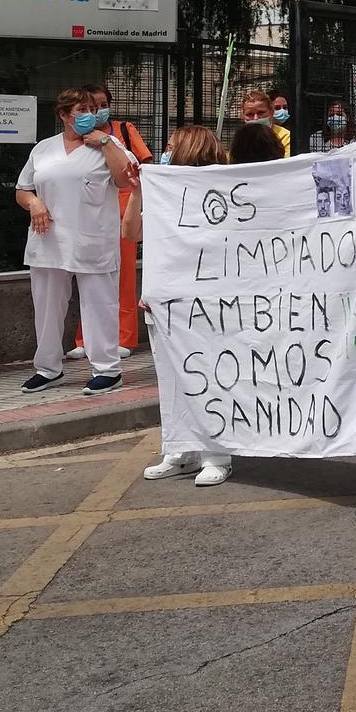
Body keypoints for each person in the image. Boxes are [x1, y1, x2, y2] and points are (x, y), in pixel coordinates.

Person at [133, 125, 237, 487]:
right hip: (165, 298)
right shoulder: (161, 189)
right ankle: (179, 451)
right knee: (172, 377)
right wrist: (137, 189)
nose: (164, 150)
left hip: (208, 301)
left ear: (188, 149)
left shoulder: (222, 187)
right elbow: (132, 233)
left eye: (170, 145)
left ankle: (216, 453)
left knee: (210, 373)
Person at [15, 88, 134, 394]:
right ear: (64, 115)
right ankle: (48, 368)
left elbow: (126, 180)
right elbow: (23, 189)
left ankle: (108, 370)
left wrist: (105, 142)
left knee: (99, 304)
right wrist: (34, 204)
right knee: (46, 306)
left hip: (92, 238)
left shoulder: (110, 144)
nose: (89, 116)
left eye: (93, 110)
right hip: (48, 239)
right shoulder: (43, 149)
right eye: (81, 110)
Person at [70, 81, 151, 361]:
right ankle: (84, 338)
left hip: (122, 214)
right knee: (88, 276)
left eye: (103, 105)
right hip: (89, 215)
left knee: (124, 276)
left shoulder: (123, 131)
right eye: (92, 107)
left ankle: (125, 337)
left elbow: (144, 164)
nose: (98, 111)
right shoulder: (77, 137)